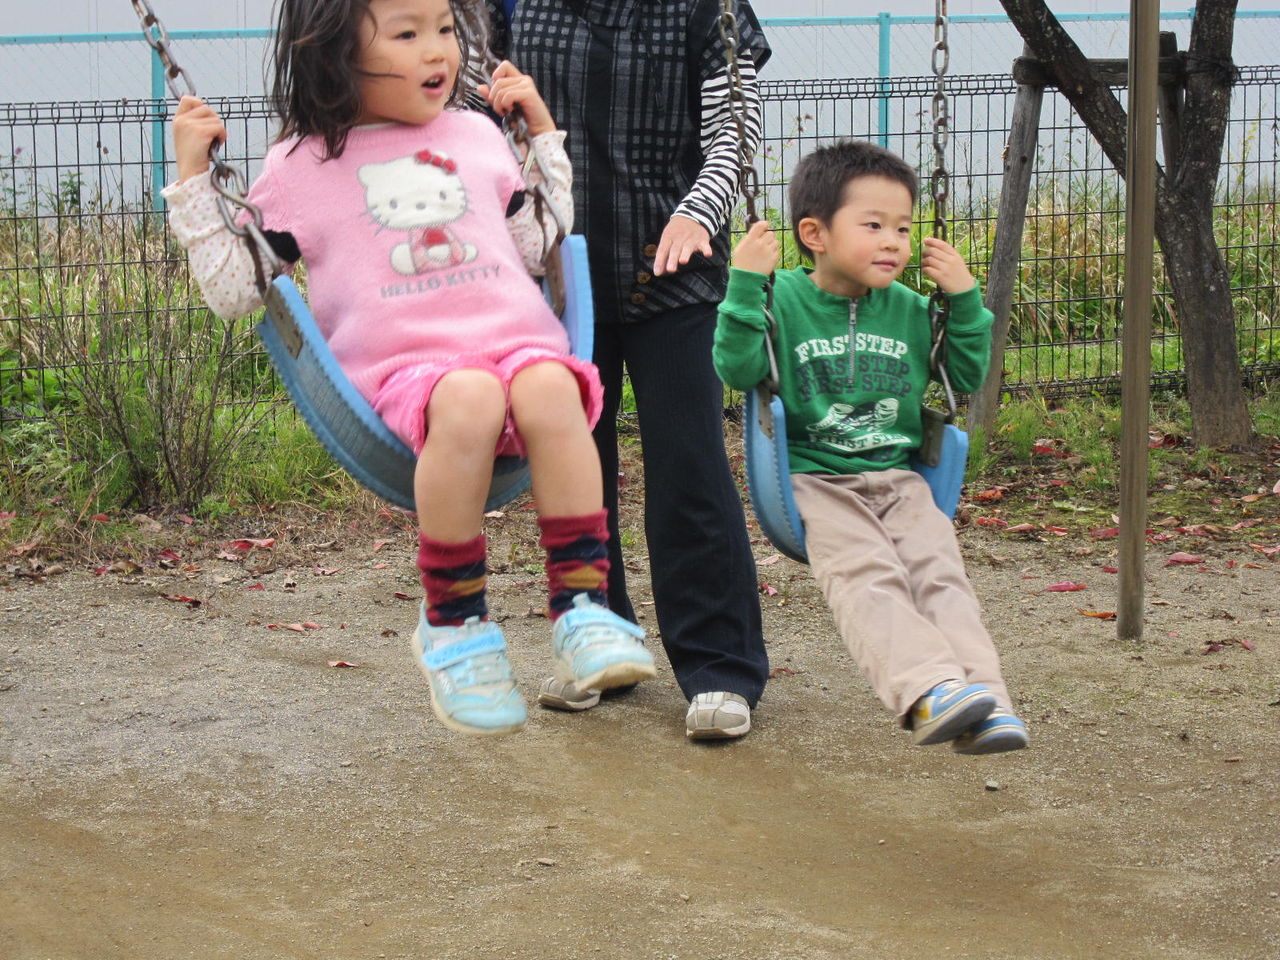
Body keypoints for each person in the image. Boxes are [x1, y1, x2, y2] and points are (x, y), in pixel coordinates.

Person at [164, 0, 656, 737]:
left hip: (517, 346)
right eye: (407, 33)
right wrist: (193, 177)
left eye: (445, 30)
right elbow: (237, 291)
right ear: (336, 52)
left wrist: (541, 137)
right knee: (470, 396)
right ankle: (454, 621)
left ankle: (582, 606)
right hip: (409, 374)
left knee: (557, 385)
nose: (438, 51)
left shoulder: (478, 135)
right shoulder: (301, 164)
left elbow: (536, 245)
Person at [486, 0, 772, 740]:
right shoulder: (510, 6)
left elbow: (734, 130)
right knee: (574, 468)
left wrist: (699, 212)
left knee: (689, 463)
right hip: (555, 271)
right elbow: (472, 113)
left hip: (673, 266)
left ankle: (719, 664)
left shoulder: (707, 8)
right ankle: (600, 643)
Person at [712, 140, 1029, 754]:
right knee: (869, 575)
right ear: (815, 234)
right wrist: (745, 285)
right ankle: (928, 690)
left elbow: (965, 376)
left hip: (900, 479)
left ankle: (987, 702)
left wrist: (964, 299)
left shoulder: (911, 309)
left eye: (903, 229)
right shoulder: (781, 299)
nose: (894, 242)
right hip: (815, 481)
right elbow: (739, 367)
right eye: (874, 225)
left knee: (941, 575)